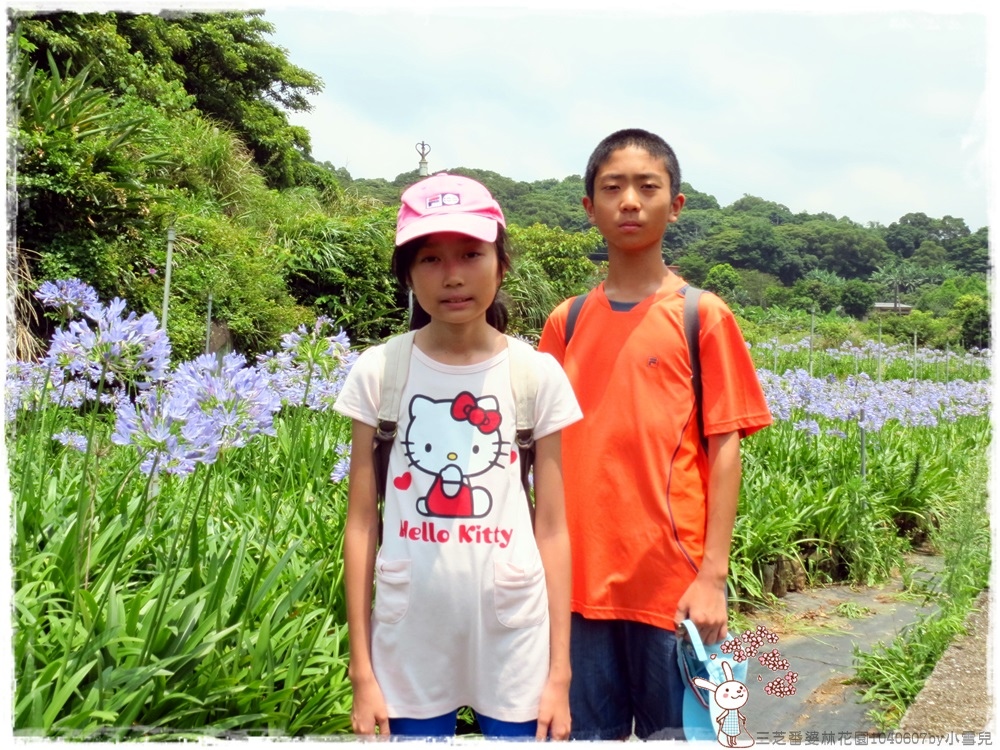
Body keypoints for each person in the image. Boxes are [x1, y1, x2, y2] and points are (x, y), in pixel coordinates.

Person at [537, 128, 773, 740]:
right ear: (589, 207)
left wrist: (712, 577)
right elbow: (545, 455)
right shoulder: (566, 321)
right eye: (613, 188)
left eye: (648, 187)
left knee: (686, 737)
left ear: (677, 203)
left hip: (674, 588)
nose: (631, 202)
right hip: (578, 590)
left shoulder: (704, 315)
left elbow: (725, 451)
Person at [334, 172, 581, 741]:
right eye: (429, 259)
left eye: (471, 253)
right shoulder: (379, 371)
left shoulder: (535, 373)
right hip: (407, 635)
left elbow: (553, 529)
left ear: (500, 261)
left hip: (516, 635)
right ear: (407, 273)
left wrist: (560, 675)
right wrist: (361, 671)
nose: (452, 276)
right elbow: (360, 523)